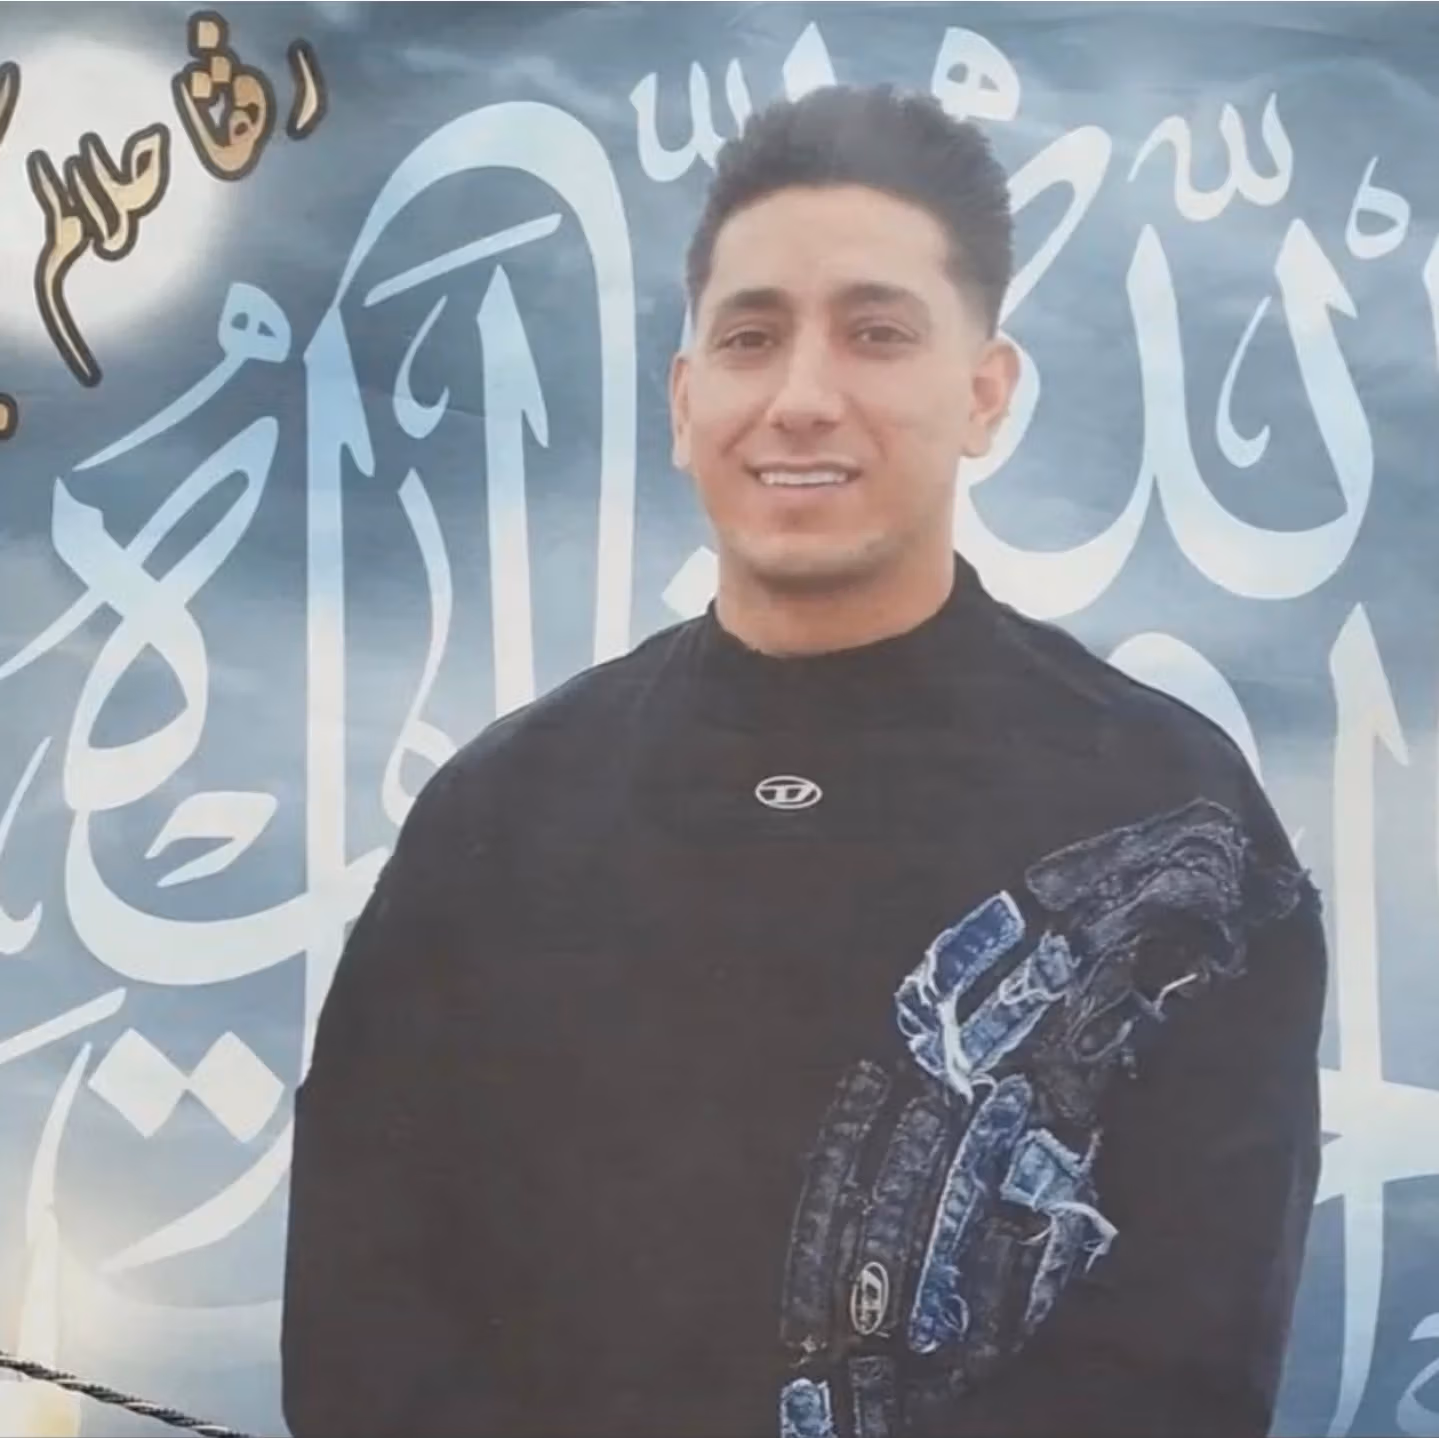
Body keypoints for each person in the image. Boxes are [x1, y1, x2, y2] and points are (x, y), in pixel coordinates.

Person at [280, 85, 1327, 1438]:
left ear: (985, 393)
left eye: (876, 333)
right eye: (751, 337)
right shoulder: (497, 814)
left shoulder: (1176, 827)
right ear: (684, 400)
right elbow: (361, 1321)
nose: (801, 398)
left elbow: (1184, 1365)